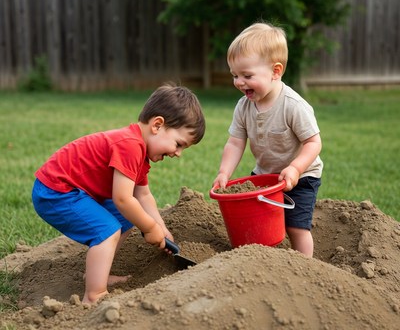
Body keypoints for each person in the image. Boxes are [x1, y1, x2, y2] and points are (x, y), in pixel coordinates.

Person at [32, 83, 205, 304]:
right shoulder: (130, 145)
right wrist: (149, 228)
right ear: (157, 125)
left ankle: (97, 273)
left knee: (123, 217)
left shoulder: (139, 152)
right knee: (108, 229)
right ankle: (94, 294)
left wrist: (161, 227)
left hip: (70, 190)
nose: (178, 154)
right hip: (55, 191)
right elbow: (122, 198)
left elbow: (143, 196)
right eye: (179, 144)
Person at [213, 22, 323, 258]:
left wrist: (295, 168)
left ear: (276, 71)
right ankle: (263, 262)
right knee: (257, 222)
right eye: (235, 75)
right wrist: (224, 172)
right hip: (264, 176)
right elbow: (235, 142)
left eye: (247, 75)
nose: (239, 82)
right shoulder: (244, 106)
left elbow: (313, 142)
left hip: (301, 177)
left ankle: (306, 267)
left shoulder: (293, 106)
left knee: (296, 226)